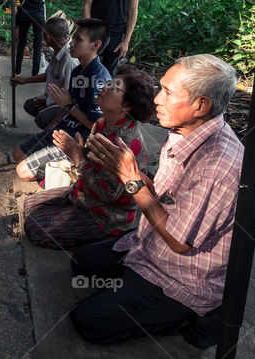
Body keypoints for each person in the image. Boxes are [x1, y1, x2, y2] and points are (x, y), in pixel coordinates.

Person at [68, 54, 242, 348]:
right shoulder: (182, 130)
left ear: (201, 105)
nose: (157, 100)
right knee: (81, 263)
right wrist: (122, 170)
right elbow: (164, 194)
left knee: (88, 321)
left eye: (168, 92)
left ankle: (193, 317)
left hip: (183, 272)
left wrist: (131, 181)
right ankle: (133, 285)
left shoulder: (218, 164)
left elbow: (179, 241)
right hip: (148, 244)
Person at [24, 68, 156, 250]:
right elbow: (90, 165)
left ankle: (103, 239)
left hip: (106, 215)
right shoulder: (102, 123)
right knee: (29, 205)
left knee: (33, 227)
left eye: (114, 87)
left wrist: (78, 158)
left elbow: (107, 194)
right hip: (85, 193)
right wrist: (78, 152)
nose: (105, 87)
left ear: (127, 106)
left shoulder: (126, 142)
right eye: (109, 82)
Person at [13, 18, 111, 182]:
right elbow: (67, 107)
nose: (71, 44)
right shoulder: (78, 71)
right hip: (64, 128)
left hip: (77, 140)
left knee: (22, 172)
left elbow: (98, 127)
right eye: (74, 38)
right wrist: (54, 125)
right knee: (18, 154)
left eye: (78, 40)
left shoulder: (99, 79)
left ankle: (77, 171)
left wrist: (68, 106)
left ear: (96, 45)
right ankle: (58, 168)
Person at [10, 17, 78, 130]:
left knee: (42, 119)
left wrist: (53, 117)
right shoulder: (59, 49)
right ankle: (52, 127)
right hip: (55, 100)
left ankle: (57, 132)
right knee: (30, 105)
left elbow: (71, 100)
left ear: (48, 37)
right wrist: (24, 80)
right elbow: (48, 75)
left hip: (66, 106)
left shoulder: (70, 60)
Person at [14, 0, 54, 76]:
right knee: (37, 44)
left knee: (21, 42)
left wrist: (17, 6)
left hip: (24, 13)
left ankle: (17, 72)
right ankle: (35, 73)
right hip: (38, 15)